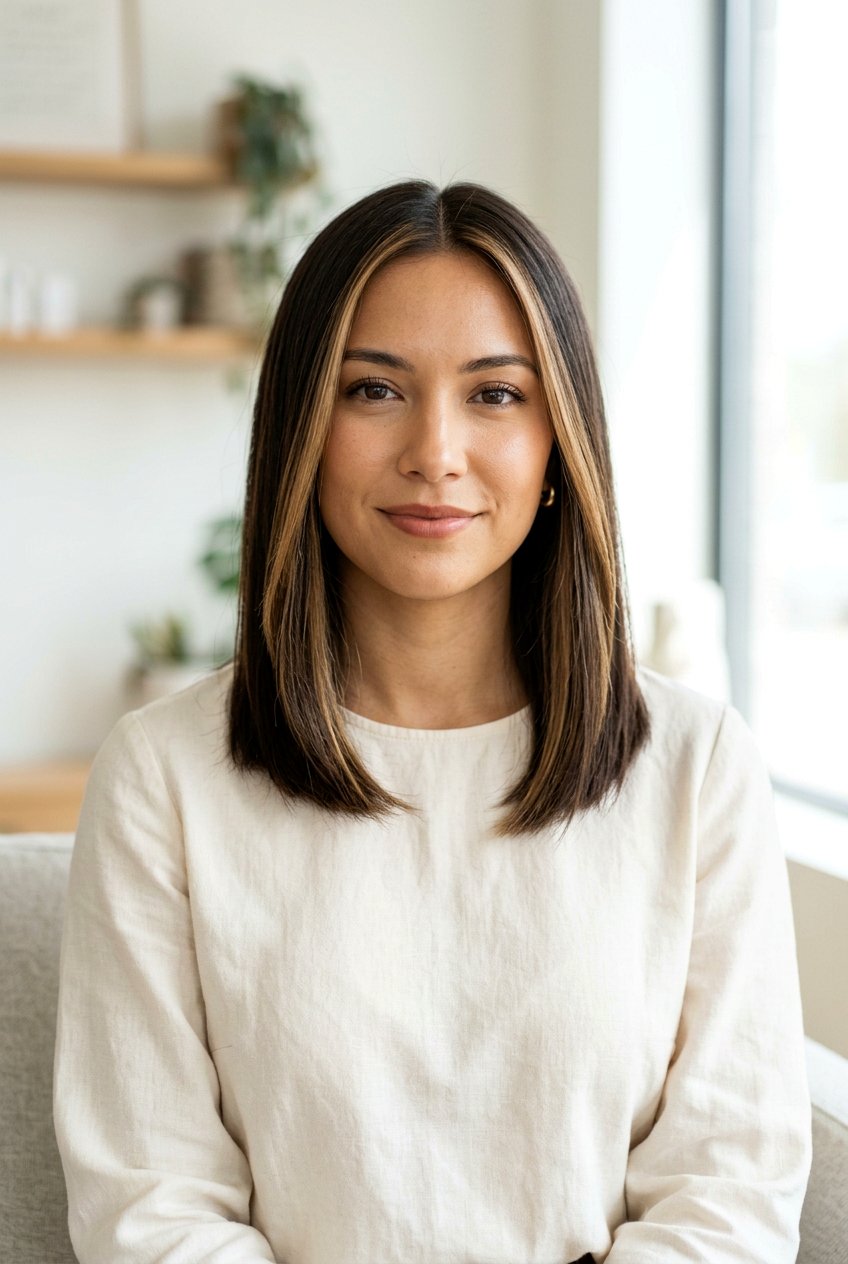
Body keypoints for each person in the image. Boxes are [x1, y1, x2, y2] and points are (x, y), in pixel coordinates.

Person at [53, 180, 812, 1264]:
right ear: (302, 427)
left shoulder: (698, 768)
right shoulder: (161, 776)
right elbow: (149, 1214)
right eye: (374, 390)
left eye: (495, 394)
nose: (435, 451)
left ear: (559, 442)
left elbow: (729, 1196)